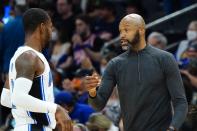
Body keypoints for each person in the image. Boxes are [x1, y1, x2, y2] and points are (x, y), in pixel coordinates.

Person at [84, 14, 188, 131]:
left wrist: (173, 127)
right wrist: (92, 92)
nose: (122, 35)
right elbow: (98, 105)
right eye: (121, 31)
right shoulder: (115, 64)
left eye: (127, 30)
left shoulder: (165, 59)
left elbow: (180, 102)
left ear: (141, 30)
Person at [0, 8, 73, 131]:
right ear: (42, 27)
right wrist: (56, 108)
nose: (52, 31)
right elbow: (18, 97)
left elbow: (6, 99)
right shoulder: (29, 57)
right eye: (50, 27)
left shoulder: (18, 57)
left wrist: (49, 116)